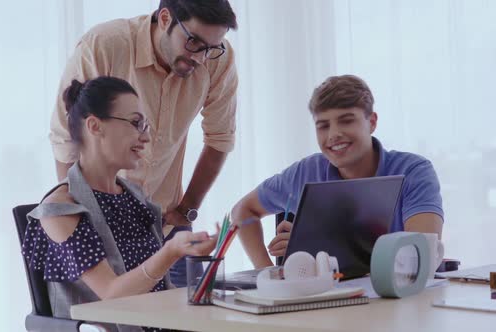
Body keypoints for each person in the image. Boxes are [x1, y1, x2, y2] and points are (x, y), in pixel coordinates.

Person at [49, 0, 238, 287]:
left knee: (197, 314)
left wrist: (187, 208)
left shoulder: (216, 59)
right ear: (165, 18)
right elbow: (67, 138)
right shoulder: (104, 46)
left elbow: (220, 139)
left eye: (212, 48)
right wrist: (83, 215)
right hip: (101, 223)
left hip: (165, 223)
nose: (201, 58)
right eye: (194, 43)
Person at [23, 77, 217, 329]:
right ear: (94, 126)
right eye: (136, 123)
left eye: (145, 126)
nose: (145, 138)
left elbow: (156, 290)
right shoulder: (60, 209)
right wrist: (171, 252)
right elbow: (112, 295)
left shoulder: (135, 198)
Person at [231, 75, 444, 269]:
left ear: (372, 122)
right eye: (323, 126)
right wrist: (267, 271)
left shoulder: (413, 171)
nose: (334, 135)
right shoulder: (305, 172)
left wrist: (318, 246)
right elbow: (243, 210)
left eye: (347, 120)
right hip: (326, 303)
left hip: (396, 303)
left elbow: (421, 254)